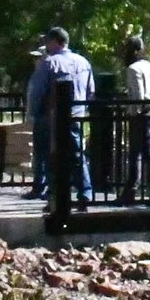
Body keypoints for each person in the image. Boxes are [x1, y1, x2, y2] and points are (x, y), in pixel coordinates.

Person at [25, 28, 94, 201]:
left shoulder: (49, 63)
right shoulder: (83, 62)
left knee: (51, 156)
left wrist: (33, 114)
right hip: (76, 116)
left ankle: (55, 195)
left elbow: (37, 92)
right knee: (77, 155)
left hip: (51, 117)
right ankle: (85, 192)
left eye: (48, 41)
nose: (46, 45)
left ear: (55, 41)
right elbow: (90, 90)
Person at [117, 35, 150, 201]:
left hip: (140, 115)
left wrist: (132, 112)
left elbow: (138, 96)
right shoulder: (149, 66)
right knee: (148, 153)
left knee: (137, 153)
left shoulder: (133, 69)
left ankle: (136, 190)